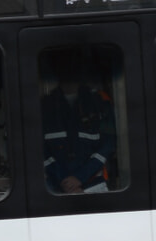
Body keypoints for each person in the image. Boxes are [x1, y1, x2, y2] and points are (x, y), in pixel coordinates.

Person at [42, 52, 116, 194]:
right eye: (64, 65)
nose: (69, 70)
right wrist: (65, 180)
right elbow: (39, 151)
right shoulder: (45, 106)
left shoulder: (100, 102)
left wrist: (79, 178)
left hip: (94, 186)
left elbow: (108, 144)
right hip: (55, 190)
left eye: (74, 65)